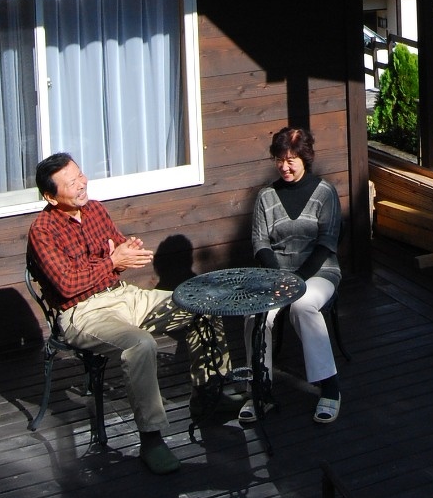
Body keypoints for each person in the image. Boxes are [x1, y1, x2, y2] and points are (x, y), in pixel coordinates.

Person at [26, 152, 241, 474]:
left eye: (81, 175)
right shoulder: (43, 230)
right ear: (50, 196)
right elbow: (68, 284)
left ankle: (209, 396)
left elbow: (117, 247)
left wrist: (129, 249)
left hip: (124, 295)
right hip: (83, 312)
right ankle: (151, 439)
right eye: (71, 183)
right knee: (139, 344)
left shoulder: (95, 209)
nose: (82, 184)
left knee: (202, 305)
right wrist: (112, 262)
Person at [245, 126, 342, 425]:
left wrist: (298, 280)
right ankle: (259, 390)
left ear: (305, 158)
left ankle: (330, 388)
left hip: (318, 272)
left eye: (291, 159)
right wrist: (280, 278)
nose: (284, 166)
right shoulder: (266, 196)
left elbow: (327, 242)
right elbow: (259, 242)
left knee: (303, 305)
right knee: (256, 314)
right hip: (277, 274)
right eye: (279, 159)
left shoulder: (325, 193)